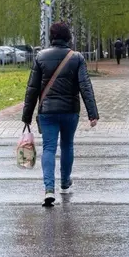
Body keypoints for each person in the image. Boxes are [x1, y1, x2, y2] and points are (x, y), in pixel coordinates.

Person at [22, 22, 99, 206]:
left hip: (47, 111)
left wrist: (27, 115)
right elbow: (85, 86)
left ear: (51, 37)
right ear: (68, 38)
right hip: (70, 111)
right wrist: (92, 113)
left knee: (49, 148)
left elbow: (32, 89)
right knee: (67, 146)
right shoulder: (77, 57)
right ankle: (65, 182)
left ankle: (49, 189)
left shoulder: (41, 57)